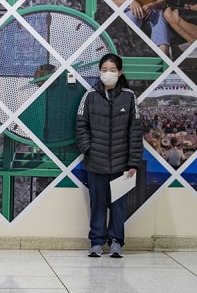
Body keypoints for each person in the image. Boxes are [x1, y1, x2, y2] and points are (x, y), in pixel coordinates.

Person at [75, 53, 141, 258]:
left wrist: (133, 162)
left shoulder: (129, 97)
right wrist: (88, 149)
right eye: (104, 70)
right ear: (99, 72)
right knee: (97, 204)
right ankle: (96, 242)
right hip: (95, 162)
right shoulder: (89, 96)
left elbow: (135, 130)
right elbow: (80, 126)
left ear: (119, 72)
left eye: (112, 70)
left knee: (118, 206)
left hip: (121, 164)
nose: (108, 74)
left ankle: (116, 243)